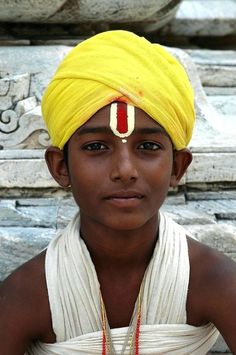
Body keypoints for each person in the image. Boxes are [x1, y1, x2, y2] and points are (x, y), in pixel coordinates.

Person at [0, 30, 236, 355]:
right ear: (60, 167)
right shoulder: (27, 295)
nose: (124, 169)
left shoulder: (215, 282)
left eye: (148, 146)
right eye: (96, 146)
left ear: (177, 167)